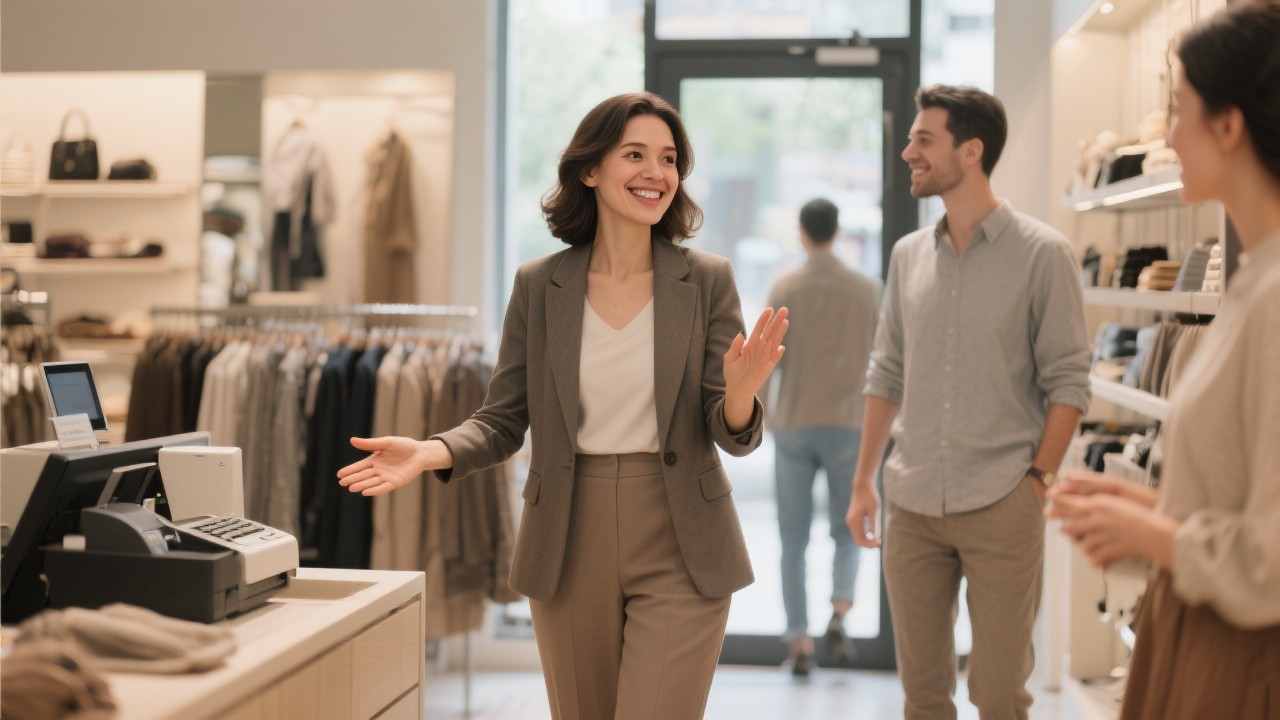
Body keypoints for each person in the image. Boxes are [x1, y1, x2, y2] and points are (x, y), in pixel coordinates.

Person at [337, 91, 788, 720]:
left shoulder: (706, 280)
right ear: (590, 169)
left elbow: (730, 430)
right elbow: (502, 417)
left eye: (669, 158)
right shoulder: (540, 285)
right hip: (568, 535)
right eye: (635, 154)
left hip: (683, 537)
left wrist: (740, 393)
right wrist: (431, 449)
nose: (655, 173)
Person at [1047, 4, 1280, 718]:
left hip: (1239, 655)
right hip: (1196, 631)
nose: (1172, 135)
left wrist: (1154, 531)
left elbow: (1271, 560)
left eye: (1180, 110)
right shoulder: (1253, 283)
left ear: (1230, 125)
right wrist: (1148, 507)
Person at [845, 84, 1092, 719]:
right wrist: (864, 481)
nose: (908, 153)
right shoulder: (906, 257)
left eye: (923, 140)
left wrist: (1037, 480)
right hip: (915, 500)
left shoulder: (1044, 254)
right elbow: (887, 370)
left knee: (999, 694)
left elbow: (1069, 379)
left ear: (971, 151)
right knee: (923, 696)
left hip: (1002, 500)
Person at [763, 198, 881, 675]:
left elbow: (768, 359)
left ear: (802, 231)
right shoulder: (868, 288)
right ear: (837, 231)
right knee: (846, 526)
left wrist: (766, 414)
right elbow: (886, 358)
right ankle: (839, 612)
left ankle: (799, 642)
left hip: (794, 420)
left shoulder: (785, 285)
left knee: (792, 536)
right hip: (851, 420)